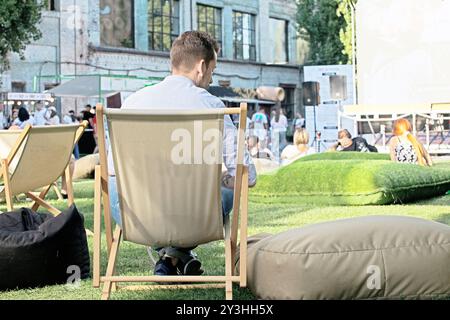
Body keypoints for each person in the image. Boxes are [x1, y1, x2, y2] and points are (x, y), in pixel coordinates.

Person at [107, 31, 257, 277]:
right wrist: (218, 179)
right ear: (201, 66)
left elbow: (111, 170)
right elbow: (247, 176)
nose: (210, 77)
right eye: (213, 70)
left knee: (114, 184)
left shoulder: (133, 102)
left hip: (136, 218)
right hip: (196, 218)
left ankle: (170, 258)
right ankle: (180, 254)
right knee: (230, 187)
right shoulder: (212, 106)